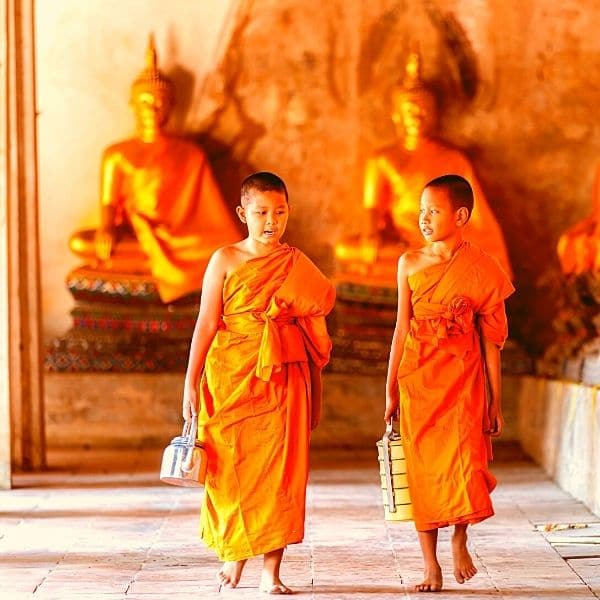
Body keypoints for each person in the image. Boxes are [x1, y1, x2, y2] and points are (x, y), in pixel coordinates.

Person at [182, 172, 335, 594]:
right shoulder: (225, 259)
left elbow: (319, 304)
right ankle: (234, 550)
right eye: (262, 212)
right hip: (230, 374)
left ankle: (272, 571)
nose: (272, 221)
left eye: (280, 212)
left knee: (279, 474)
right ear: (242, 213)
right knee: (228, 467)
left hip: (282, 376)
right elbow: (207, 322)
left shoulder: (295, 263)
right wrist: (190, 382)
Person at [384, 174, 514, 592]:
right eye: (420, 211)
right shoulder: (409, 263)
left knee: (464, 465)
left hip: (464, 382)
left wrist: (495, 400)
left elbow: (492, 341)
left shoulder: (482, 268)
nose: (424, 219)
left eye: (433, 211)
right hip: (418, 381)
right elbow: (401, 329)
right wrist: (390, 389)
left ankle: (460, 539)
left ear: (460, 215)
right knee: (422, 473)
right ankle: (429, 566)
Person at [69, 36, 239, 302]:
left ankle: (149, 266)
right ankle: (154, 264)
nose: (152, 108)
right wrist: (106, 228)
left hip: (183, 238)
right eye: (145, 101)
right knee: (80, 243)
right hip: (137, 236)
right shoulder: (116, 154)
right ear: (133, 105)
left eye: (160, 101)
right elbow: (108, 203)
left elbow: (211, 215)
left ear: (171, 105)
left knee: (222, 251)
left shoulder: (191, 153)